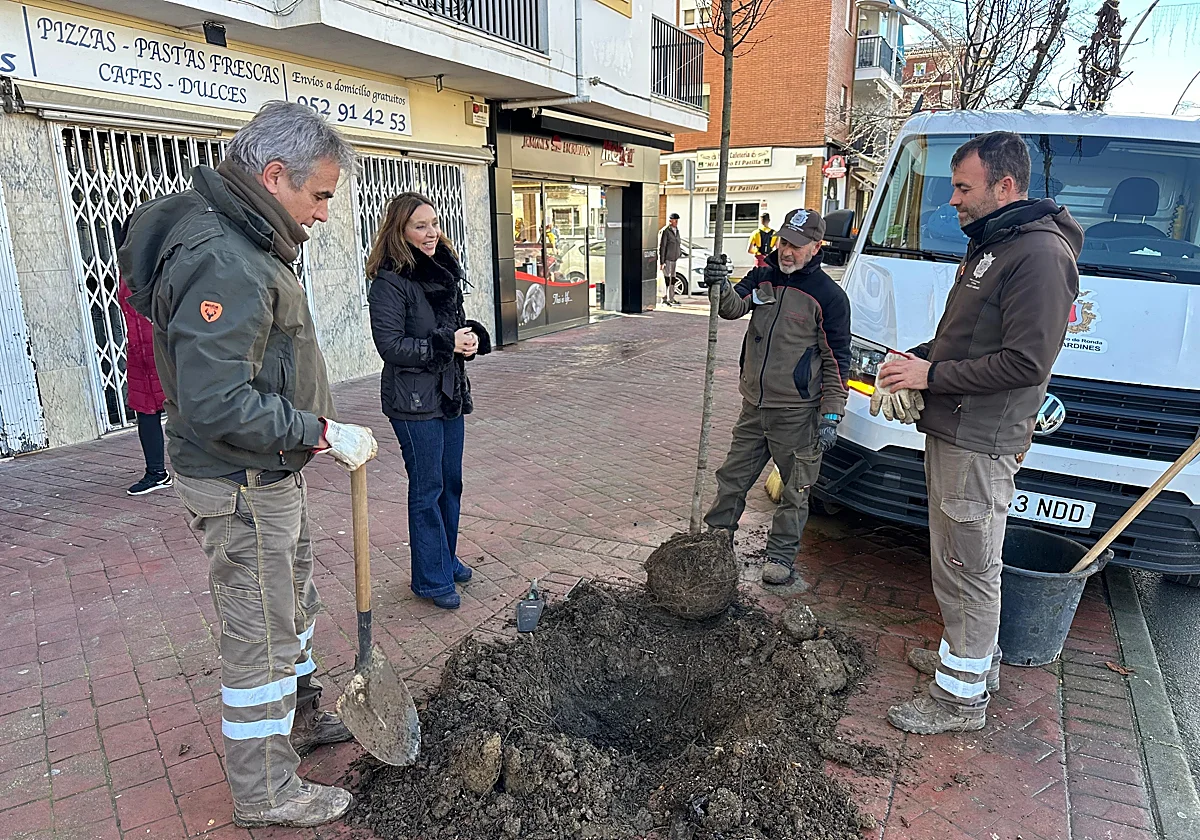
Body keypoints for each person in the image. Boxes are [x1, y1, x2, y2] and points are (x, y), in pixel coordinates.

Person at [117, 101, 378, 828]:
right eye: (319, 194)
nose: (323, 212)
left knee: (290, 608)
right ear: (274, 176)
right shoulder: (225, 257)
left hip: (268, 472)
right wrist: (318, 430)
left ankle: (302, 716)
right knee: (261, 633)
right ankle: (265, 790)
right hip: (241, 483)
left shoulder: (247, 236)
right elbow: (216, 402)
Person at [876, 131, 1081, 735]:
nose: (954, 199)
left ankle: (958, 702)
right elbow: (965, 340)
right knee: (958, 559)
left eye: (964, 187)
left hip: (979, 438)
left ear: (1005, 186)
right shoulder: (997, 246)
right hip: (959, 427)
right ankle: (967, 661)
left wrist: (931, 375)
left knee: (968, 566)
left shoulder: (1038, 256)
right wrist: (914, 360)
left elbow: (1026, 362)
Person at [703, 208, 851, 586]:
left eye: (796, 245)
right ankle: (716, 544)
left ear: (816, 247)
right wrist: (719, 284)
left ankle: (781, 556)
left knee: (795, 489)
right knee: (732, 479)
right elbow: (732, 308)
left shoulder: (829, 297)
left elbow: (837, 361)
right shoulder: (763, 275)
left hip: (797, 414)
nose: (786, 251)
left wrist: (831, 414)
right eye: (784, 241)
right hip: (754, 406)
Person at [366, 192, 491, 611]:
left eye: (434, 223)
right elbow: (390, 346)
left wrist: (468, 338)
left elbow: (448, 327)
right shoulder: (390, 281)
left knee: (451, 483)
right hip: (412, 402)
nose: (431, 232)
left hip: (449, 394)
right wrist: (444, 344)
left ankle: (444, 558)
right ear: (400, 231)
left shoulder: (442, 269)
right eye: (420, 226)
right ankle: (430, 578)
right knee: (427, 488)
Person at [118, 273, 170, 495]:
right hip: (140, 353)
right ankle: (156, 472)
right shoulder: (128, 272)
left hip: (166, 349)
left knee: (188, 407)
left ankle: (210, 466)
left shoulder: (161, 265)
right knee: (146, 410)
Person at [659, 212, 682, 306]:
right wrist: (662, 261)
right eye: (675, 220)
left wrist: (679, 254)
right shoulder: (666, 231)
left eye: (677, 220)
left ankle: (671, 298)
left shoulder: (677, 231)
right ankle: (664, 299)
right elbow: (662, 246)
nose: (676, 222)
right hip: (667, 259)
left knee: (673, 279)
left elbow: (678, 244)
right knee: (666, 279)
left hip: (674, 259)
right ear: (670, 221)